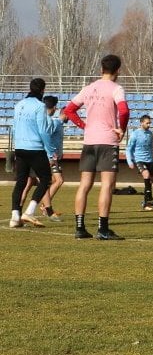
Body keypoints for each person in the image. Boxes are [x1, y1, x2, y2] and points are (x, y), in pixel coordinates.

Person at [64, 54, 130, 240]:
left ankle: (79, 228)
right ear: (118, 70)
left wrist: (84, 126)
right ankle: (103, 229)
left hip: (89, 141)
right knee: (107, 185)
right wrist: (121, 129)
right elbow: (124, 110)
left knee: (84, 185)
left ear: (101, 69)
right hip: (108, 141)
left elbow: (69, 110)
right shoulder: (116, 88)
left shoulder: (88, 88)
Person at [9, 78, 57, 229]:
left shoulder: (19, 105)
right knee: (46, 179)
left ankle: (15, 216)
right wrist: (51, 153)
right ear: (43, 90)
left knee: (21, 182)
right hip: (34, 148)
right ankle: (29, 211)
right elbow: (43, 131)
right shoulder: (39, 106)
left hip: (20, 147)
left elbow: (14, 127)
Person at [25, 95, 66, 221]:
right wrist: (52, 154)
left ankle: (45, 208)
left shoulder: (48, 120)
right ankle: (42, 209)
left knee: (48, 181)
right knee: (37, 182)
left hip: (41, 154)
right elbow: (46, 138)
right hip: (43, 155)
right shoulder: (51, 122)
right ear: (54, 108)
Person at [125, 114, 153, 210]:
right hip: (139, 159)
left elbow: (151, 149)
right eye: (147, 123)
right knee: (146, 175)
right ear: (141, 123)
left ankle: (146, 203)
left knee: (150, 181)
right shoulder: (135, 134)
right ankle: (149, 198)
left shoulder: (150, 134)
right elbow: (128, 149)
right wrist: (130, 161)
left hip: (149, 160)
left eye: (150, 123)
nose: (149, 125)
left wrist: (152, 161)